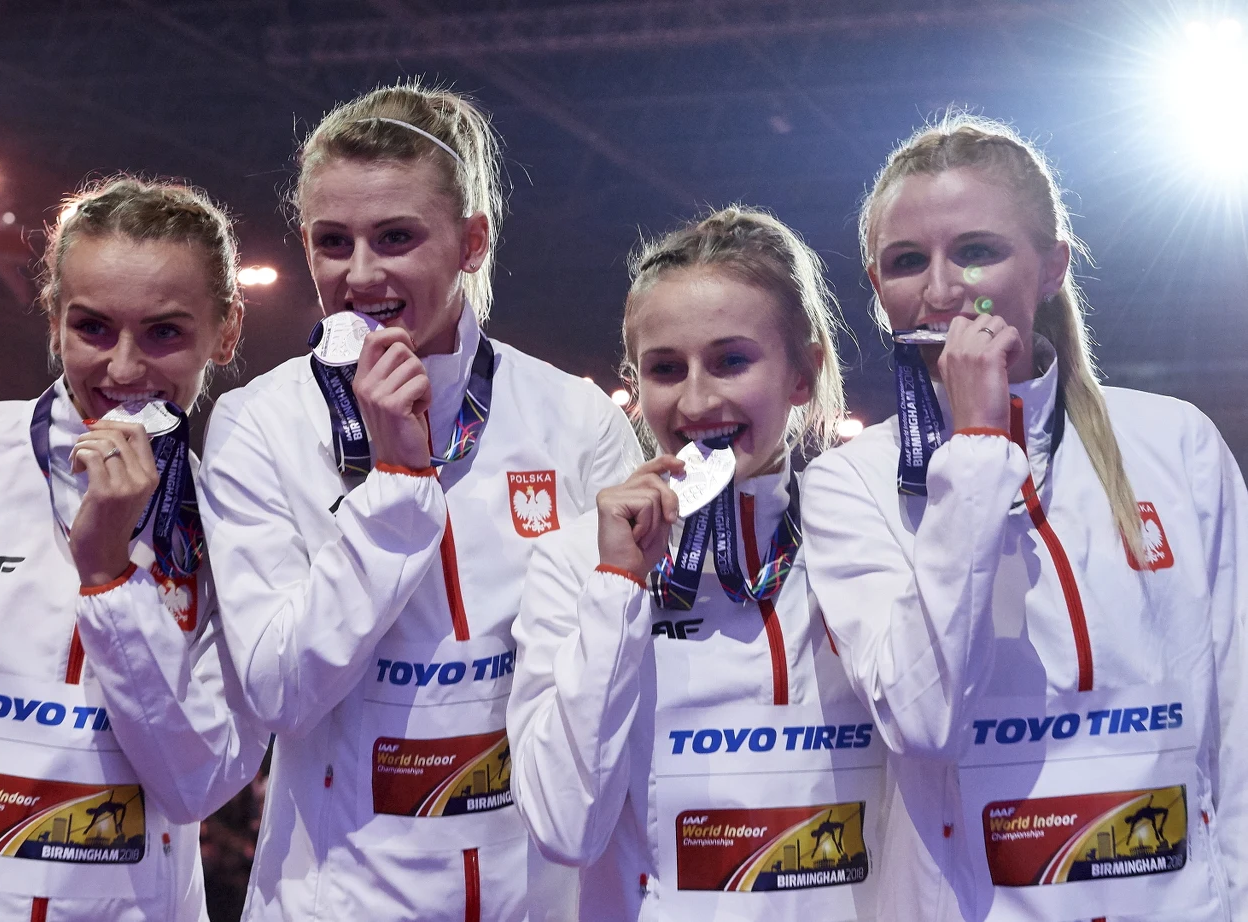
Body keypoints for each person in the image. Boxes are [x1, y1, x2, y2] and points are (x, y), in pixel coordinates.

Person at [197, 82, 640, 922]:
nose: (360, 276)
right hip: (335, 897)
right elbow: (277, 692)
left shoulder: (574, 420)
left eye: (396, 237)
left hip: (538, 896)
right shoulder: (260, 423)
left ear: (471, 241)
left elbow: (605, 683)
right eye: (333, 242)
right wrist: (396, 487)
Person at [801, 113, 1247, 922]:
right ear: (876, 290)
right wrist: (975, 447)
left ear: (1051, 267)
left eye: (976, 250)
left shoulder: (1176, 441)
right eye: (908, 262)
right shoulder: (848, 484)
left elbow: (1239, 719)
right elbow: (926, 721)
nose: (940, 289)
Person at [0, 176, 268, 921]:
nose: (123, 371)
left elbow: (201, 782)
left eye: (164, 333)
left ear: (226, 332)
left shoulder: (241, 519)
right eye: (93, 327)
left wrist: (109, 579)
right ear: (54, 316)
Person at [508, 206, 888, 921]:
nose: (695, 399)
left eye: (731, 360)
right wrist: (618, 584)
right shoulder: (573, 562)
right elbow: (565, 827)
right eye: (664, 369)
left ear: (804, 374)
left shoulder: (866, 544)